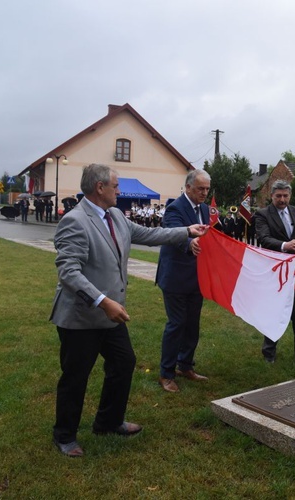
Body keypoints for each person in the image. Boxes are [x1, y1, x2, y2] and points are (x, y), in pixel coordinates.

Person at [50, 163, 207, 457]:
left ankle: (108, 422)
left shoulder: (116, 216)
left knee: (123, 363)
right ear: (100, 188)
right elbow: (68, 273)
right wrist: (102, 301)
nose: (119, 191)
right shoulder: (75, 221)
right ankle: (65, 435)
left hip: (110, 315)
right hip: (81, 317)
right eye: (116, 186)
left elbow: (149, 235)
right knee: (76, 376)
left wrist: (186, 231)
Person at [155, 170, 212, 393]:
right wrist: (189, 244)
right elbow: (173, 233)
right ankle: (166, 374)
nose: (204, 193)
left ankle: (185, 365)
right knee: (176, 324)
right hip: (176, 277)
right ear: (188, 187)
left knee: (192, 325)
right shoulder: (174, 208)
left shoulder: (205, 209)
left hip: (196, 277)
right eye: (200, 188)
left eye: (207, 189)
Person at [255, 179, 295, 368]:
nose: (282, 199)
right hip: (276, 272)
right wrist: (284, 245)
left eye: (285, 196)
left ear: (290, 196)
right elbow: (263, 239)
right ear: (271, 196)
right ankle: (269, 351)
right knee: (274, 312)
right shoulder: (262, 214)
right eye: (278, 196)